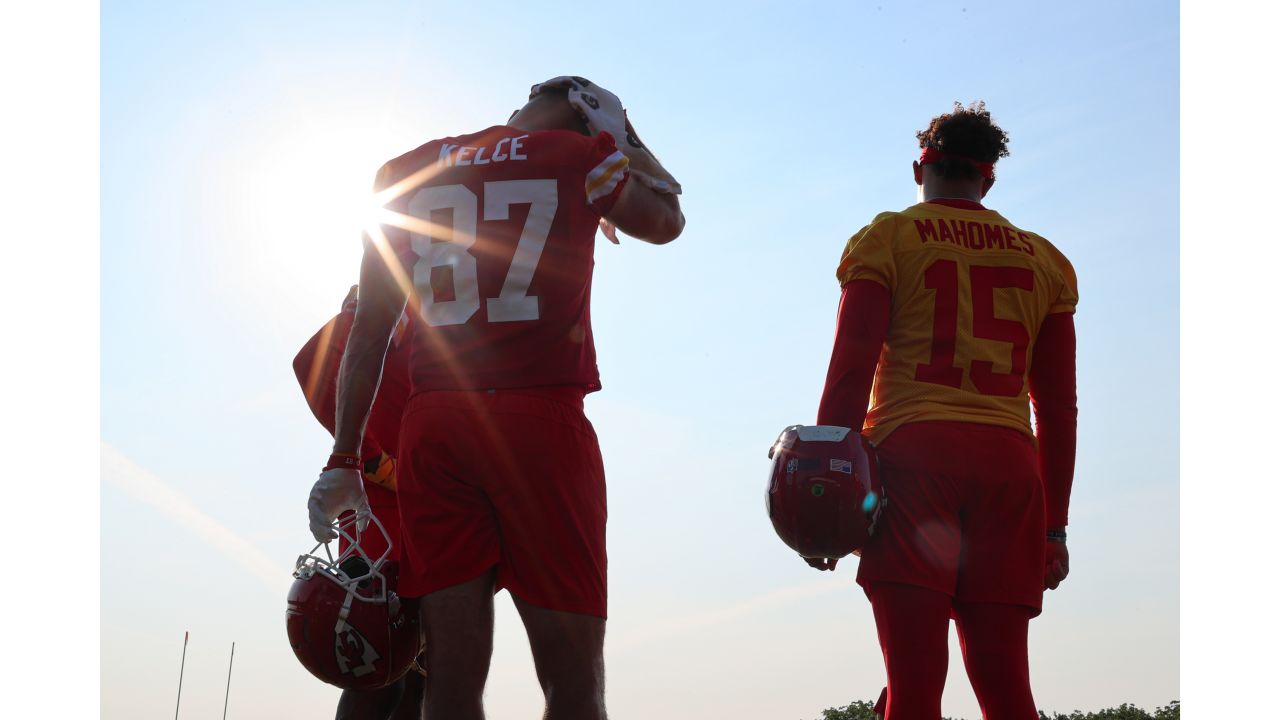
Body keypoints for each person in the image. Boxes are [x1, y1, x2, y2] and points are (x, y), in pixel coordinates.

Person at [306, 77, 685, 720]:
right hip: (538, 419)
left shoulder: (405, 169)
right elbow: (666, 220)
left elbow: (369, 327)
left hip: (436, 423)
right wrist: (625, 142)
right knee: (573, 682)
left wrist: (343, 458)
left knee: (448, 684)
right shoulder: (580, 156)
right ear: (588, 116)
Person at [813, 101, 1077, 720]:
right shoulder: (1044, 259)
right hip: (1011, 472)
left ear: (918, 170)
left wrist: (827, 491)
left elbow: (850, 368)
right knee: (1008, 688)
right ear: (988, 180)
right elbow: (1058, 410)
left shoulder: (889, 236)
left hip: (913, 461)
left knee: (914, 684)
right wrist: (1054, 527)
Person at [293, 285, 422, 720]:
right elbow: (314, 363)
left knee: (424, 666)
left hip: (433, 502)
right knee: (376, 657)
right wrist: (368, 457)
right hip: (382, 514)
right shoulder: (403, 285)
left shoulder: (461, 289)